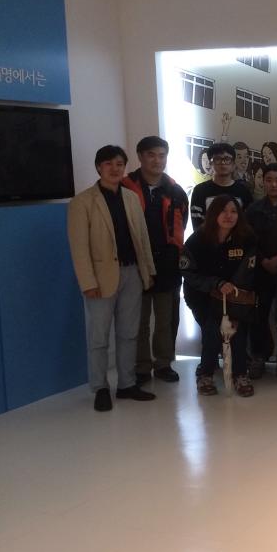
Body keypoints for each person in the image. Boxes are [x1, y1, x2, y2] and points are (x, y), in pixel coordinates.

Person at [68, 145, 157, 411]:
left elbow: (142, 238)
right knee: (99, 338)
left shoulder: (131, 197)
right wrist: (88, 283)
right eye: (108, 164)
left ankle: (127, 384)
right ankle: (100, 388)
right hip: (100, 278)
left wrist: (148, 271)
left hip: (132, 273)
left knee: (129, 333)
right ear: (99, 167)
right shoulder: (82, 202)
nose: (114, 169)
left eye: (119, 164)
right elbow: (79, 247)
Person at [122, 135, 188, 385]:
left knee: (166, 318)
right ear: (140, 157)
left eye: (161, 155)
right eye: (151, 155)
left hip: (168, 264)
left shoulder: (175, 190)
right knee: (138, 320)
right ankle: (141, 366)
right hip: (135, 263)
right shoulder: (125, 188)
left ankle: (163, 363)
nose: (157, 160)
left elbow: (182, 224)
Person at [181, 195, 258, 397]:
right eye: (223, 211)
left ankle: (240, 375)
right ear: (213, 213)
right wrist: (215, 284)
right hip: (203, 296)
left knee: (238, 332)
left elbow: (249, 268)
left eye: (233, 211)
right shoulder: (197, 240)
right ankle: (205, 375)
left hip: (235, 296)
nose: (228, 216)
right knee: (212, 332)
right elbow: (188, 272)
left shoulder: (247, 238)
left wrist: (234, 289)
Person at [245, 163, 277, 378]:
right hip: (260, 271)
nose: (273, 185)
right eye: (269, 180)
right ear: (263, 182)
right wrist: (264, 261)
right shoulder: (253, 209)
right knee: (259, 315)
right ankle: (258, 356)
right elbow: (248, 241)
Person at [189, 142, 253, 230]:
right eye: (217, 159)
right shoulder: (200, 191)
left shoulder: (243, 191)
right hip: (208, 238)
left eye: (227, 159)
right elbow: (197, 225)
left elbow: (248, 222)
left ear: (233, 164)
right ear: (211, 163)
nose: (223, 163)